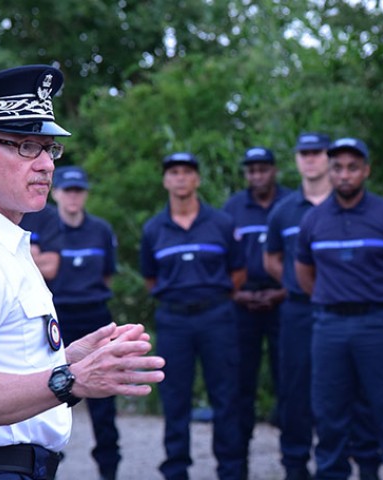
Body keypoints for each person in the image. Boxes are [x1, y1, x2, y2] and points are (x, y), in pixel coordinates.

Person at [0, 64, 164, 480]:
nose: (46, 164)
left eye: (49, 148)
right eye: (26, 146)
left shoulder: (5, 240)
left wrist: (68, 357)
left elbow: (2, 359)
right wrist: (71, 378)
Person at [295, 137, 383, 480]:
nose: (345, 175)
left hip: (379, 324)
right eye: (337, 167)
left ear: (366, 170)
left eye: (353, 167)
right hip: (330, 327)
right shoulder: (313, 220)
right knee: (329, 414)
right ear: (329, 170)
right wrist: (334, 297)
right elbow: (305, 273)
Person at [264, 133, 382, 480]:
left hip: (348, 311)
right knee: (296, 391)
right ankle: (296, 466)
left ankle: (364, 464)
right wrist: (305, 287)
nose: (311, 159)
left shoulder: (351, 203)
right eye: (305, 153)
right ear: (297, 159)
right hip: (300, 310)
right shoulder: (283, 211)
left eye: (317, 153)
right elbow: (273, 261)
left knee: (355, 391)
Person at [140, 151, 247, 480]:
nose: (181, 178)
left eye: (187, 172)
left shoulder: (222, 223)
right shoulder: (154, 229)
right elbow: (150, 278)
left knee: (226, 398)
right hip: (174, 321)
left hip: (217, 317)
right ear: (165, 181)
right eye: (174, 173)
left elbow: (239, 273)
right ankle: (176, 471)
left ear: (197, 179)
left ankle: (232, 471)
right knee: (175, 401)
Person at [47, 165, 121, 480]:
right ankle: (46, 464)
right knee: (49, 398)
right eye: (67, 190)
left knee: (104, 400)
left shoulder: (101, 230)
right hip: (56, 318)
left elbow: (107, 274)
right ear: (55, 193)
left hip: (94, 315)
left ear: (85, 194)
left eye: (78, 190)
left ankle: (109, 468)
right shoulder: (46, 229)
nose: (73, 197)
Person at [222, 146, 291, 462]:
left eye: (263, 169)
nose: (258, 175)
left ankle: (294, 459)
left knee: (290, 381)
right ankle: (238, 460)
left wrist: (286, 290)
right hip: (242, 303)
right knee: (239, 385)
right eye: (252, 170)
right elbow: (221, 258)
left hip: (287, 301)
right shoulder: (233, 208)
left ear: (274, 170)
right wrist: (236, 293)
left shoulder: (292, 204)